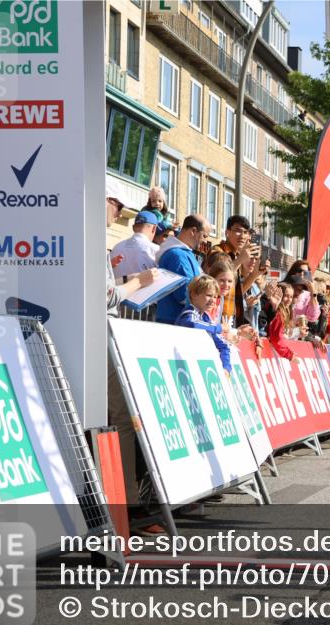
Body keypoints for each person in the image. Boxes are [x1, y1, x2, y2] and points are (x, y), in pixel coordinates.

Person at [105, 186, 161, 534]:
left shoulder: (111, 245)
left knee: (118, 420)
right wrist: (139, 281)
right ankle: (125, 509)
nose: (119, 214)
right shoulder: (94, 238)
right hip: (103, 337)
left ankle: (126, 507)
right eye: (116, 206)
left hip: (99, 335)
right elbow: (106, 295)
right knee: (121, 420)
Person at [155, 215, 208, 324]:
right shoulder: (178, 255)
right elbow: (185, 294)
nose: (205, 241)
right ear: (193, 231)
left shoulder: (184, 253)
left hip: (180, 320)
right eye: (204, 236)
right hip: (175, 322)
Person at [175, 275, 233, 373]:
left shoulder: (205, 318)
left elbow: (223, 346)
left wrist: (226, 368)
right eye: (209, 295)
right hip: (179, 368)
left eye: (215, 297)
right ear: (193, 295)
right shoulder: (189, 313)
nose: (213, 300)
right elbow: (192, 324)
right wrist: (219, 327)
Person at [216, 215, 261, 327]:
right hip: (216, 315)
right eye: (238, 231)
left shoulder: (236, 256)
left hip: (230, 319)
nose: (242, 236)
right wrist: (240, 259)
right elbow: (215, 280)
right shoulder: (217, 251)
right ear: (227, 232)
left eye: (246, 232)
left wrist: (255, 274)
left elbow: (237, 292)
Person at [111, 210, 160, 278]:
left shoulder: (117, 247)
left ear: (133, 227)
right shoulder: (156, 250)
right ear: (154, 228)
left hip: (115, 287)